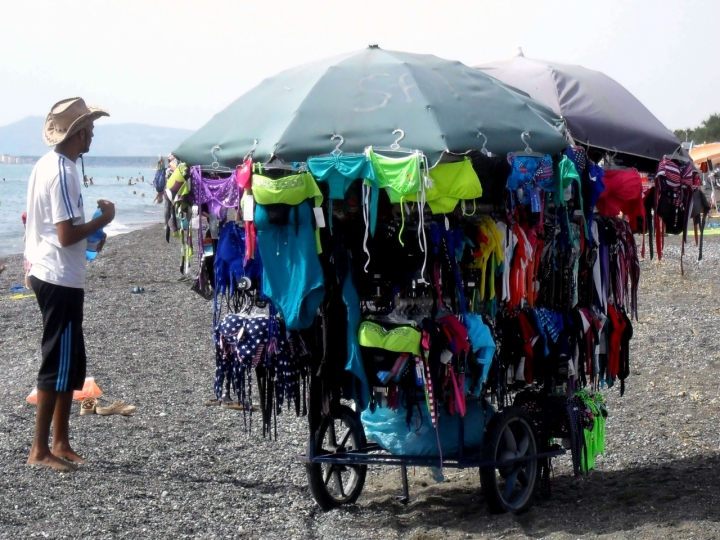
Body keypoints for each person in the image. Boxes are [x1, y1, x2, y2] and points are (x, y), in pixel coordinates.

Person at [24, 97, 115, 472]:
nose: (93, 132)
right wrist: (104, 219)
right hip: (57, 276)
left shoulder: (48, 165)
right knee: (57, 362)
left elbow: (43, 225)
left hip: (56, 272)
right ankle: (39, 449)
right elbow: (64, 234)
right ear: (78, 132)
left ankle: (60, 441)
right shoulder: (61, 171)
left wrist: (92, 238)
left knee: (72, 360)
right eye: (89, 127)